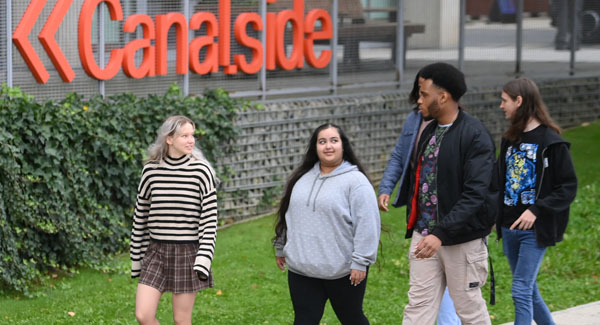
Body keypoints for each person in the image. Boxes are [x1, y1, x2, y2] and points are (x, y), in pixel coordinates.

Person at [401, 62, 496, 325]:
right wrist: (426, 230)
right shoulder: (429, 130)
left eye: (423, 94)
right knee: (417, 307)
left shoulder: (475, 135)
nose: (418, 100)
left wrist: (441, 233)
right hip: (424, 235)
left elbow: (476, 194)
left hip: (461, 239)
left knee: (469, 310)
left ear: (443, 97)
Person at [273, 123, 381, 324]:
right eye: (322, 141)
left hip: (343, 270)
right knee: (304, 320)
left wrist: (361, 261)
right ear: (315, 147)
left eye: (334, 141)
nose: (328, 146)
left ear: (343, 146)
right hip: (302, 269)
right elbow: (287, 214)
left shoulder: (356, 182)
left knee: (351, 319)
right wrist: (281, 245)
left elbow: (368, 224)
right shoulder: (300, 178)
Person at [378, 72, 460, 325]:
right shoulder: (414, 121)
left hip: (450, 215)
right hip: (421, 212)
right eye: (419, 93)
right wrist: (386, 187)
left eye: (424, 94)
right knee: (424, 288)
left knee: (452, 283)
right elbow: (399, 155)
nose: (419, 100)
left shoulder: (458, 127)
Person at [496, 77, 577, 325]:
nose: (501, 106)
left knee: (520, 290)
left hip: (534, 230)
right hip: (509, 227)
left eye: (505, 100)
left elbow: (568, 187)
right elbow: (499, 181)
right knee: (528, 290)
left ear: (519, 101)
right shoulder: (510, 139)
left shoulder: (551, 142)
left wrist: (536, 209)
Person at [130, 115, 218, 325]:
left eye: (192, 135)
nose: (191, 140)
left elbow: (209, 221)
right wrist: (137, 257)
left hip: (187, 253)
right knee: (143, 315)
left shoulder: (201, 171)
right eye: (184, 136)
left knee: (181, 320)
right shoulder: (150, 171)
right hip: (156, 252)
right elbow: (140, 216)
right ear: (169, 139)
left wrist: (204, 259)